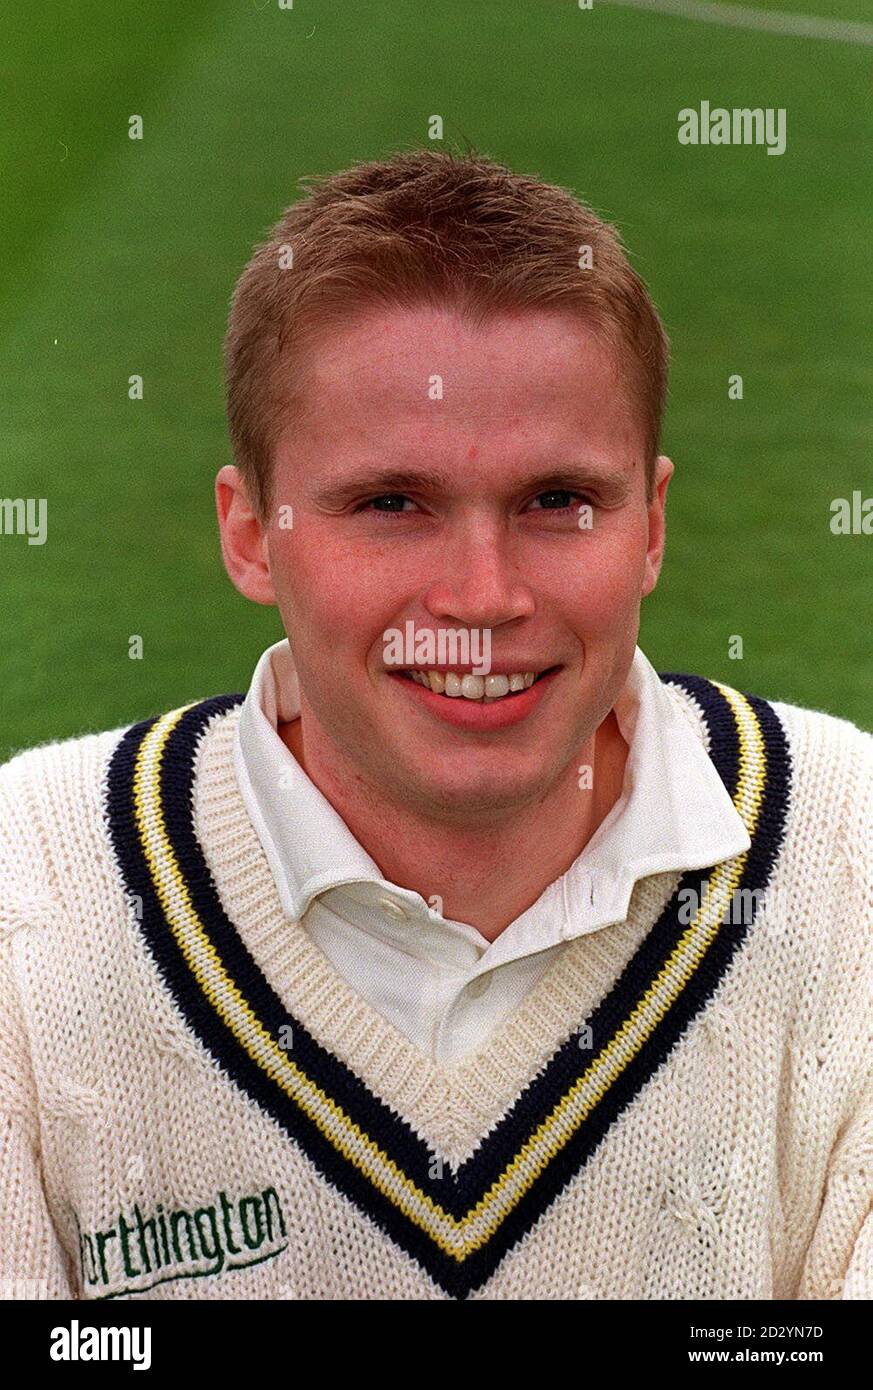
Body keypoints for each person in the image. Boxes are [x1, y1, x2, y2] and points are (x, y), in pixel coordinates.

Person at [1, 151, 869, 1301]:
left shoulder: (850, 856)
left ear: (650, 525)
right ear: (253, 532)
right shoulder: (32, 885)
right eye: (391, 504)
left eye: (558, 501)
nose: (481, 596)